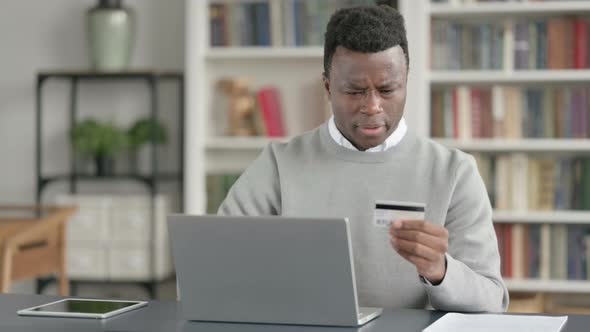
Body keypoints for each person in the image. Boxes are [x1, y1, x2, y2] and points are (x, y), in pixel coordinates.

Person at [218, 5, 508, 312]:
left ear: (405, 82)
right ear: (328, 88)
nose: (372, 106)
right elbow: (217, 264)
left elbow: (492, 300)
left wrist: (440, 270)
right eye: (355, 91)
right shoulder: (278, 164)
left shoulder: (454, 172)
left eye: (386, 89)